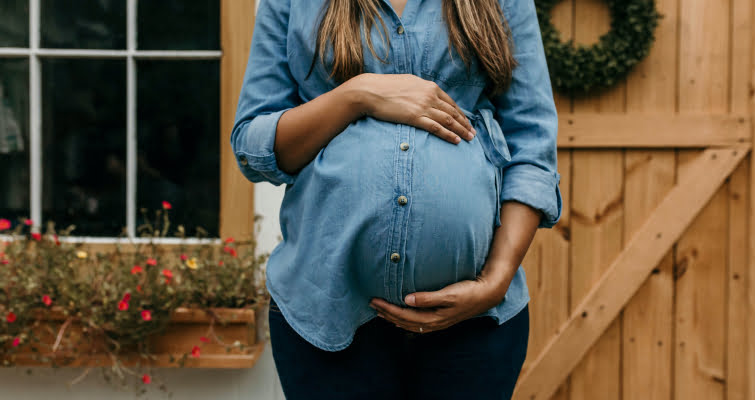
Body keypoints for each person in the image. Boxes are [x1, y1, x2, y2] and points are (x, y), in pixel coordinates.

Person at [230, 0, 562, 398]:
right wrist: (358, 94)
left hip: (475, 323)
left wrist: (496, 281)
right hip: (325, 313)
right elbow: (254, 146)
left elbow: (533, 146)